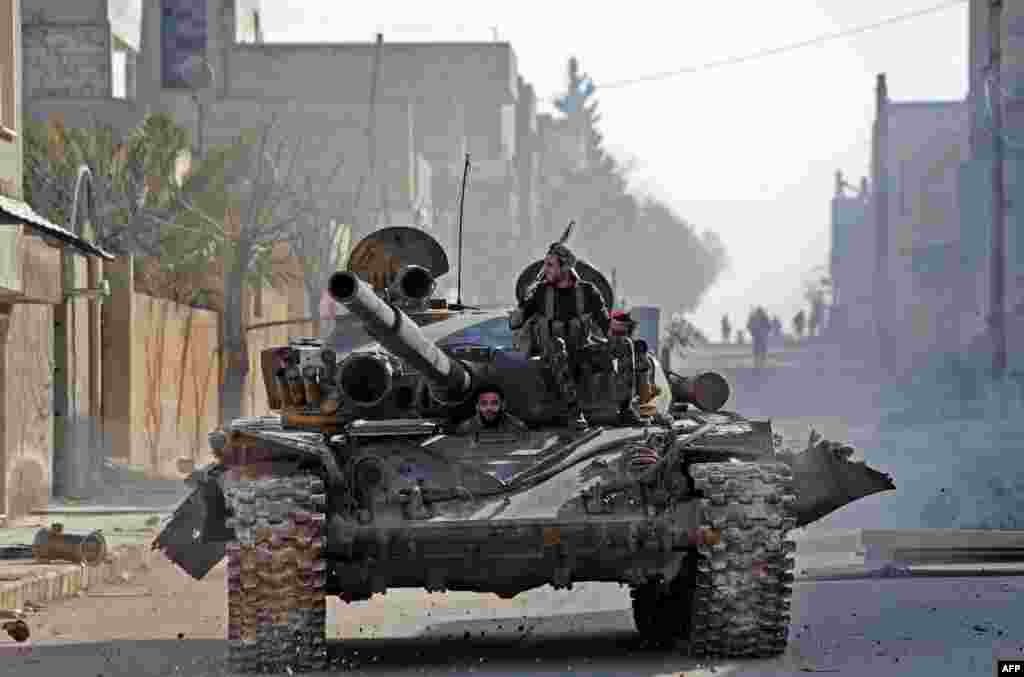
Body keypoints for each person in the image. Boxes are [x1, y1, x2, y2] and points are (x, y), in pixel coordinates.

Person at [509, 242, 611, 429]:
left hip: (580, 351)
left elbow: (607, 325)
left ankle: (626, 407)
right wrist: (525, 300)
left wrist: (617, 344)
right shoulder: (540, 292)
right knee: (557, 345)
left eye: (550, 265)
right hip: (550, 355)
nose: (545, 269)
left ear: (564, 267)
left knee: (625, 343)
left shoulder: (588, 291)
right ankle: (574, 411)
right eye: (545, 264)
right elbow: (514, 323)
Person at [456, 384, 528, 435]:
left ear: (503, 405)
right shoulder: (465, 429)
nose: (489, 408)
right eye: (484, 404)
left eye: (494, 403)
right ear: (477, 406)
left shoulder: (517, 427)